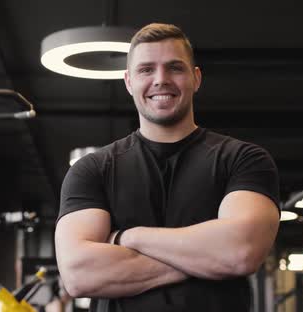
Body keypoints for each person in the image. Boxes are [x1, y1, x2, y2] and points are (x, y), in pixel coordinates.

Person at [54, 23, 280, 311]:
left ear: (195, 78)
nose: (161, 80)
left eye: (175, 68)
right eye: (146, 70)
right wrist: (208, 259)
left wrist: (127, 237)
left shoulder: (243, 159)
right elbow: (78, 274)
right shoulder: (93, 170)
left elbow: (240, 252)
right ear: (128, 82)